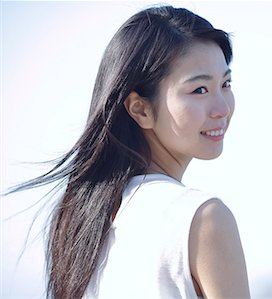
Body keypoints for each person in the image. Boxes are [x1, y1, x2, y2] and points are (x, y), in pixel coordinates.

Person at [8, 5, 250, 299]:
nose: (223, 108)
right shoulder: (204, 219)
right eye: (199, 90)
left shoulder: (81, 219)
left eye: (226, 84)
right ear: (140, 109)